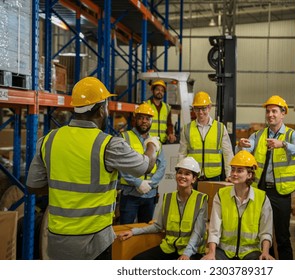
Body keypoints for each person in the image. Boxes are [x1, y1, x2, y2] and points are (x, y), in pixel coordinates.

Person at [26, 76, 161, 260]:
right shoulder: (107, 144)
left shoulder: (49, 140)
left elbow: (33, 186)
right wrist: (153, 145)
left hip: (57, 239)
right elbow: (146, 165)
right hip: (94, 242)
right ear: (101, 110)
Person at [236, 95, 295, 260]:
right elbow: (246, 154)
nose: (270, 115)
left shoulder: (291, 135)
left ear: (283, 114)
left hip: (280, 193)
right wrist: (241, 146)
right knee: (260, 233)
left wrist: (283, 145)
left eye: (274, 111)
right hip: (260, 191)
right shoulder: (258, 135)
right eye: (268, 111)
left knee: (282, 236)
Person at [117, 157, 208, 260]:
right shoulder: (168, 198)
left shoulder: (201, 199)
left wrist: (187, 254)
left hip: (192, 251)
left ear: (194, 179)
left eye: (187, 174)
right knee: (137, 260)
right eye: (180, 172)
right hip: (169, 248)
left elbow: (197, 232)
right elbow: (158, 226)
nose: (182, 176)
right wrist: (133, 231)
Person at [201, 150, 274, 260]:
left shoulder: (262, 198)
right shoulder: (221, 195)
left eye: (239, 171)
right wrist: (211, 253)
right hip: (224, 251)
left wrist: (265, 252)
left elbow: (266, 231)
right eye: (233, 169)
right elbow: (214, 230)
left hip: (251, 252)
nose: (234, 174)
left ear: (249, 174)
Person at [118, 102, 167, 224]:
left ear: (151, 121)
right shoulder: (125, 137)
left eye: (147, 118)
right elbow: (121, 165)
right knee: (125, 230)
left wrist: (151, 184)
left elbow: (162, 165)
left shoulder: (156, 141)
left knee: (145, 233)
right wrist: (138, 183)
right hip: (130, 194)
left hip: (150, 195)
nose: (144, 121)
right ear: (135, 119)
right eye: (141, 118)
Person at [178, 91, 234, 184]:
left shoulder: (220, 128)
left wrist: (229, 175)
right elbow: (182, 154)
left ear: (209, 108)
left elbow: (228, 153)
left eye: (203, 108)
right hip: (193, 175)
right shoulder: (186, 129)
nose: (200, 112)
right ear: (194, 109)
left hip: (214, 177)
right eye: (197, 109)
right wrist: (181, 175)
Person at [147, 79, 176, 144]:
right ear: (152, 90)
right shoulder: (146, 105)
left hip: (162, 142)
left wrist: (170, 134)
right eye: (157, 89)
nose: (160, 92)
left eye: (162, 91)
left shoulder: (167, 107)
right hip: (148, 141)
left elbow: (169, 124)